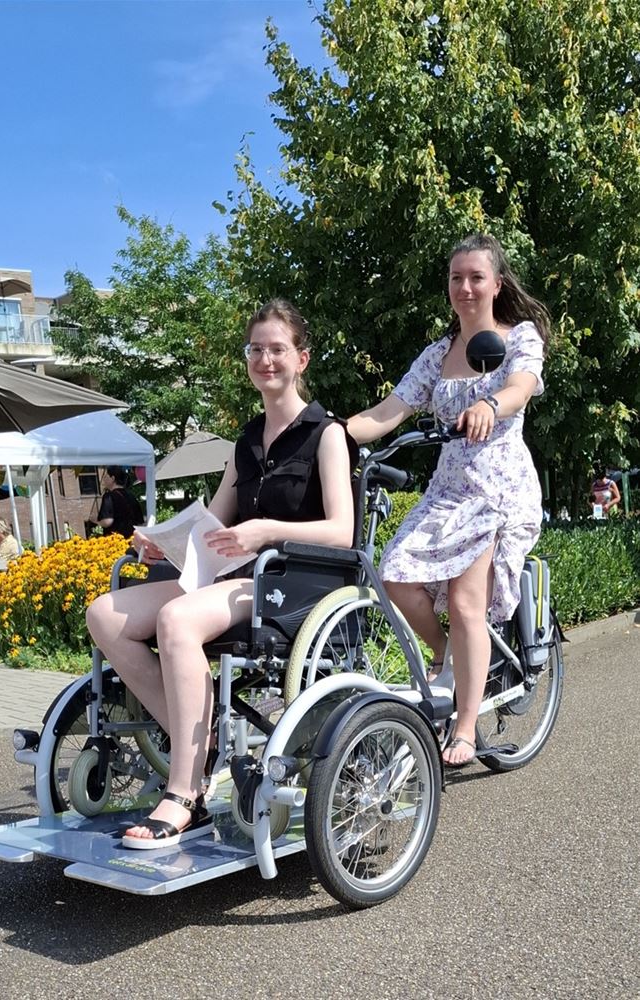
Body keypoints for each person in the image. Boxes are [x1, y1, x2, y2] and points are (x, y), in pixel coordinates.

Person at [86, 299, 357, 849]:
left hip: (293, 582)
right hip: (239, 576)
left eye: (277, 349)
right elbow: (213, 524)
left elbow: (342, 532)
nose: (265, 359)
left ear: (301, 359)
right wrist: (162, 543)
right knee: (105, 615)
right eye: (256, 349)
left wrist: (264, 532)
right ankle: (199, 735)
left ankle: (185, 792)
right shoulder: (246, 442)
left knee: (177, 619)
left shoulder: (326, 434)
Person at [347, 233, 550, 767]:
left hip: (497, 488)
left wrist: (491, 404)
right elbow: (389, 410)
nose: (465, 287)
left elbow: (521, 385)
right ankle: (448, 655)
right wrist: (329, 433)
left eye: (476, 277)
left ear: (496, 284)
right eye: (456, 278)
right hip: (448, 490)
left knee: (465, 603)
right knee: (393, 575)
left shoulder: (518, 337)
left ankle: (464, 726)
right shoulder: (438, 353)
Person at [93, 467, 145, 538]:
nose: (103, 479)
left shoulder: (109, 496)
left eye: (106, 476)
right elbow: (140, 522)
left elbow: (107, 521)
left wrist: (96, 521)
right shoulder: (131, 496)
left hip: (116, 540)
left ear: (112, 478)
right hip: (132, 539)